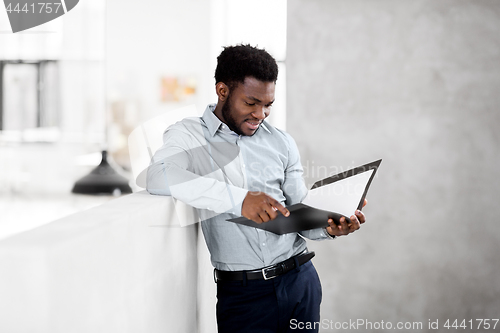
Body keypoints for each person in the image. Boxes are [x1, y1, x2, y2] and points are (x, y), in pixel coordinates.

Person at [147, 44, 367, 333]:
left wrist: (328, 226)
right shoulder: (188, 135)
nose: (261, 114)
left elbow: (299, 212)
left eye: (268, 105)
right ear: (222, 91)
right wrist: (239, 201)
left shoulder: (281, 142)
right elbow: (158, 176)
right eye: (251, 103)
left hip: (301, 281)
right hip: (244, 298)